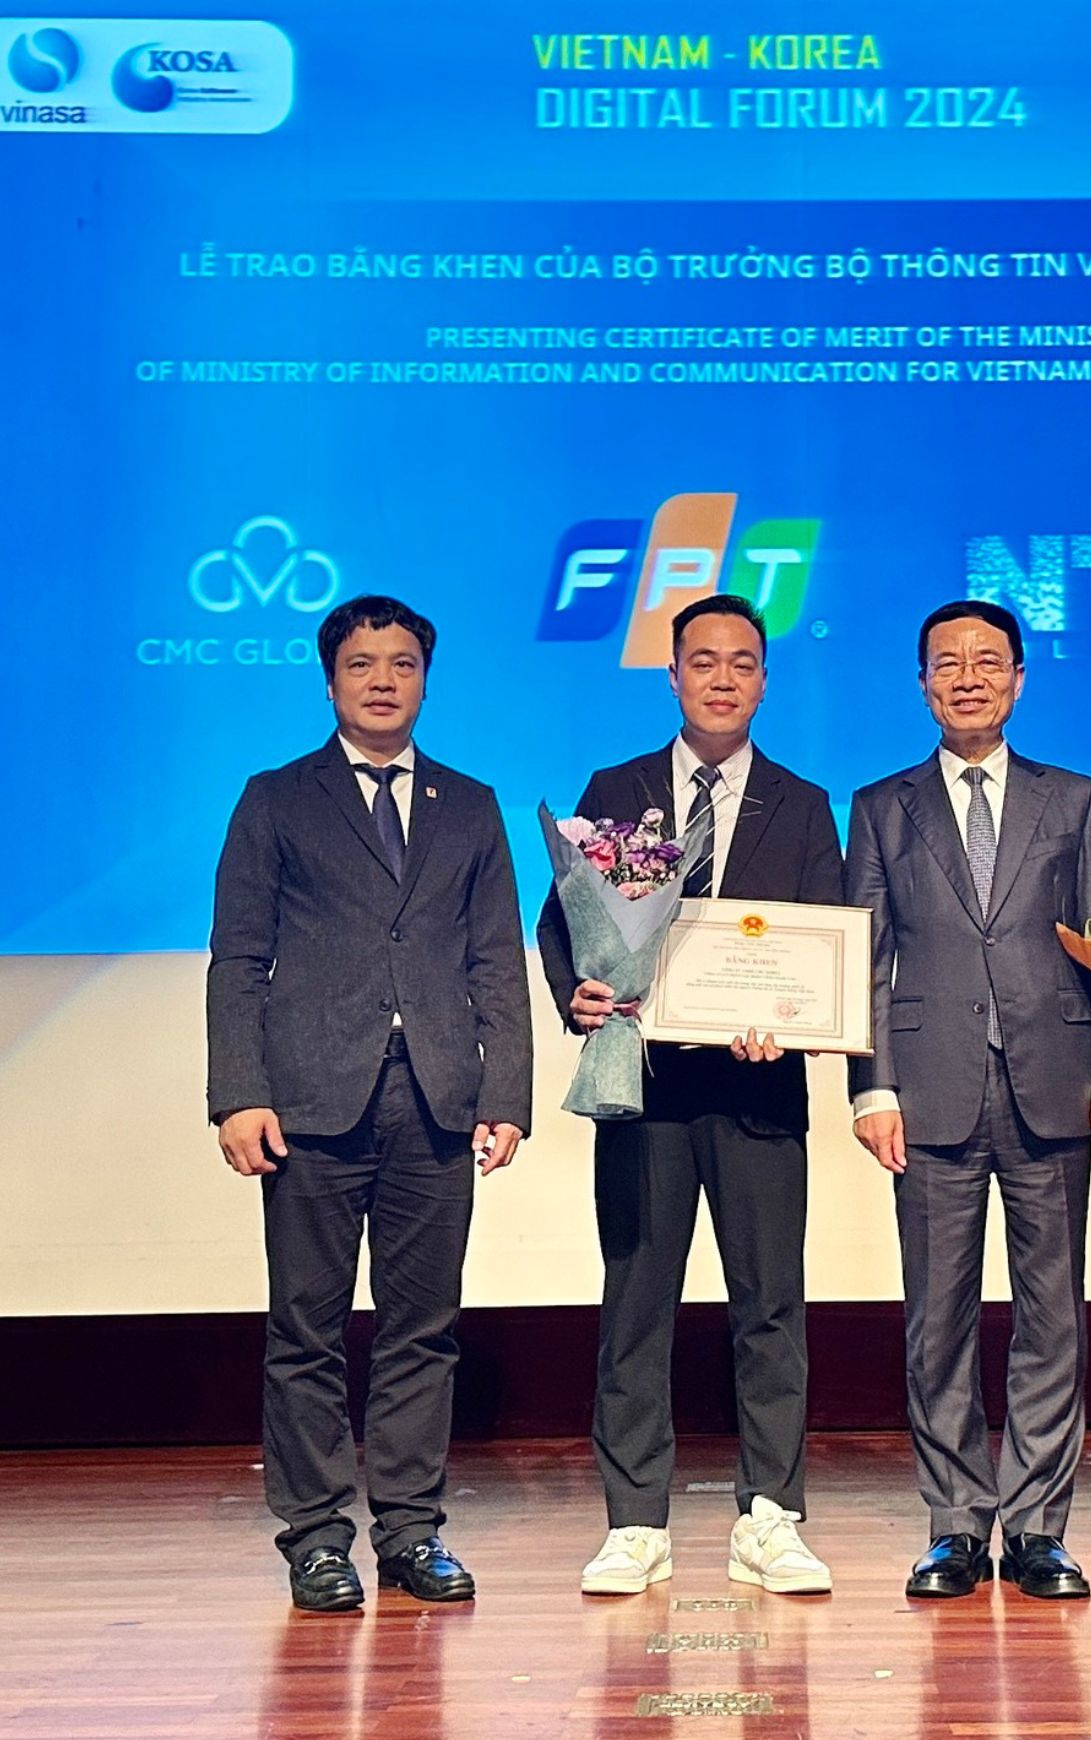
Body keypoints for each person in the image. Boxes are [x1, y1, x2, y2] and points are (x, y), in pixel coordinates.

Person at [207, 594, 531, 1613]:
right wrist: (237, 1094)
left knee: (421, 1328)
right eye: (361, 663)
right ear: (331, 679)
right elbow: (238, 960)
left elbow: (496, 961)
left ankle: (410, 1530)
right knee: (304, 1330)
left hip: (435, 1099)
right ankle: (314, 1536)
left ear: (426, 678)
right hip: (308, 1101)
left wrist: (506, 1092)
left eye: (400, 662)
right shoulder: (276, 798)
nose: (382, 678)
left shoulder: (469, 804)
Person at [537, 594, 843, 1598]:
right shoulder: (616, 788)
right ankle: (635, 1524)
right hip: (645, 1085)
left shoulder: (801, 803)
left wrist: (791, 1017)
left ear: (764, 679)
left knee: (770, 1307)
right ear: (671, 677)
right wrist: (577, 992)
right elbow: (560, 924)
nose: (721, 678)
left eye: (741, 662)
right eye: (701, 661)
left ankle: (772, 1517)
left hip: (759, 1089)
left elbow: (828, 941)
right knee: (635, 1305)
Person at [844, 600, 1091, 1600]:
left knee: (1054, 1314)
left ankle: (1042, 1529)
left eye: (988, 662)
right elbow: (864, 959)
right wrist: (869, 1088)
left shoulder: (1076, 798)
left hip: (1053, 1085)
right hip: (926, 1094)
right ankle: (956, 1523)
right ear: (922, 683)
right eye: (947, 664)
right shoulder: (882, 806)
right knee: (936, 1316)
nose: (968, 677)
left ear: (1019, 679)